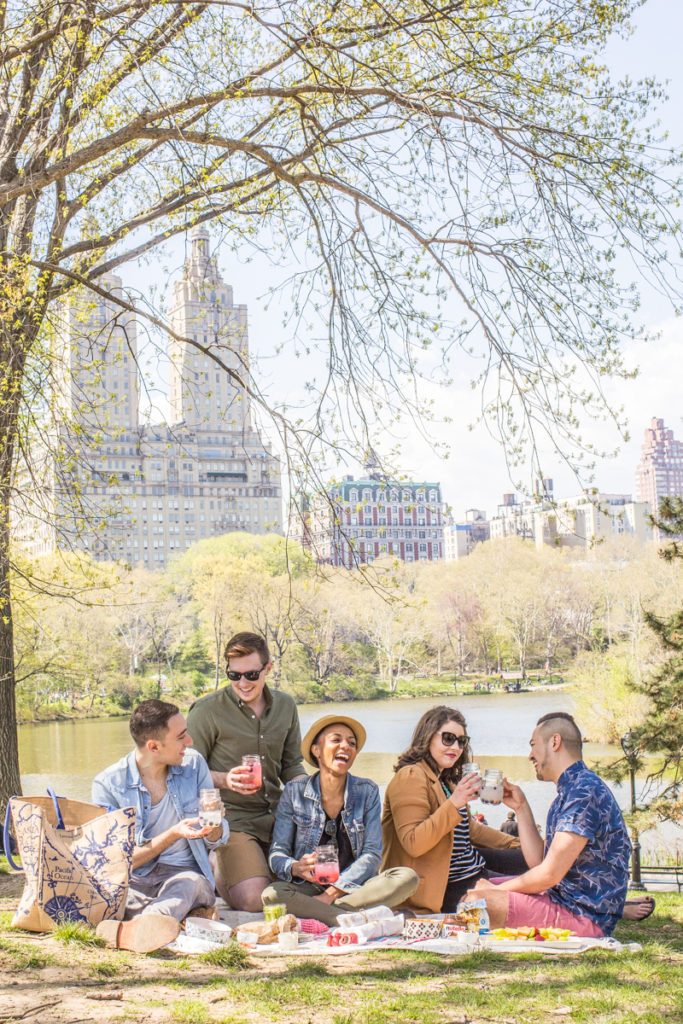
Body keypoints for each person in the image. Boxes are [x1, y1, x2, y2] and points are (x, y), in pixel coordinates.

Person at [464, 712, 631, 937]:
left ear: (555, 742)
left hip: (584, 917)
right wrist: (521, 807)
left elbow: (549, 875)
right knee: (481, 887)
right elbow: (538, 863)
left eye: (533, 745)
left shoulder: (583, 792)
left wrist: (496, 890)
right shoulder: (570, 790)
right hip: (562, 898)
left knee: (477, 901)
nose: (530, 755)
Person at [92, 699, 229, 953]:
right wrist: (174, 833)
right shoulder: (109, 785)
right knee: (107, 894)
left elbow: (216, 840)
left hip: (185, 876)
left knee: (187, 885)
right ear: (153, 746)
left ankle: (136, 927)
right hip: (135, 881)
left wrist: (216, 825)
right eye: (181, 736)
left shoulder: (194, 764)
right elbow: (116, 863)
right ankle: (155, 924)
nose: (189, 742)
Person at [186, 631, 305, 911]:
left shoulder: (286, 705)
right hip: (231, 821)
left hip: (279, 817)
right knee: (254, 900)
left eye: (251, 675)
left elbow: (291, 765)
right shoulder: (206, 711)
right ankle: (217, 861)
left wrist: (313, 792)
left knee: (322, 875)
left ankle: (248, 867)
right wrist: (225, 780)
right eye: (234, 675)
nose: (243, 682)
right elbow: (187, 773)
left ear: (268, 668)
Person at [263, 715, 418, 926]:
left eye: (351, 743)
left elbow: (372, 855)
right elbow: (277, 853)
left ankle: (329, 914)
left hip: (354, 888)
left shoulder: (367, 791)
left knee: (406, 877)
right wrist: (294, 867)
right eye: (336, 740)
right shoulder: (293, 792)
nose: (346, 746)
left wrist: (333, 893)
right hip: (309, 887)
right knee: (271, 896)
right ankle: (352, 917)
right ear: (316, 750)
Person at [380, 706, 522, 914]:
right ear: (428, 737)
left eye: (461, 741)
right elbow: (414, 842)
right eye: (448, 738)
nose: (456, 747)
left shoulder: (444, 780)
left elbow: (471, 830)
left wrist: (520, 844)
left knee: (536, 859)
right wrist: (454, 803)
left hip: (472, 866)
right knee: (528, 893)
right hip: (445, 885)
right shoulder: (411, 776)